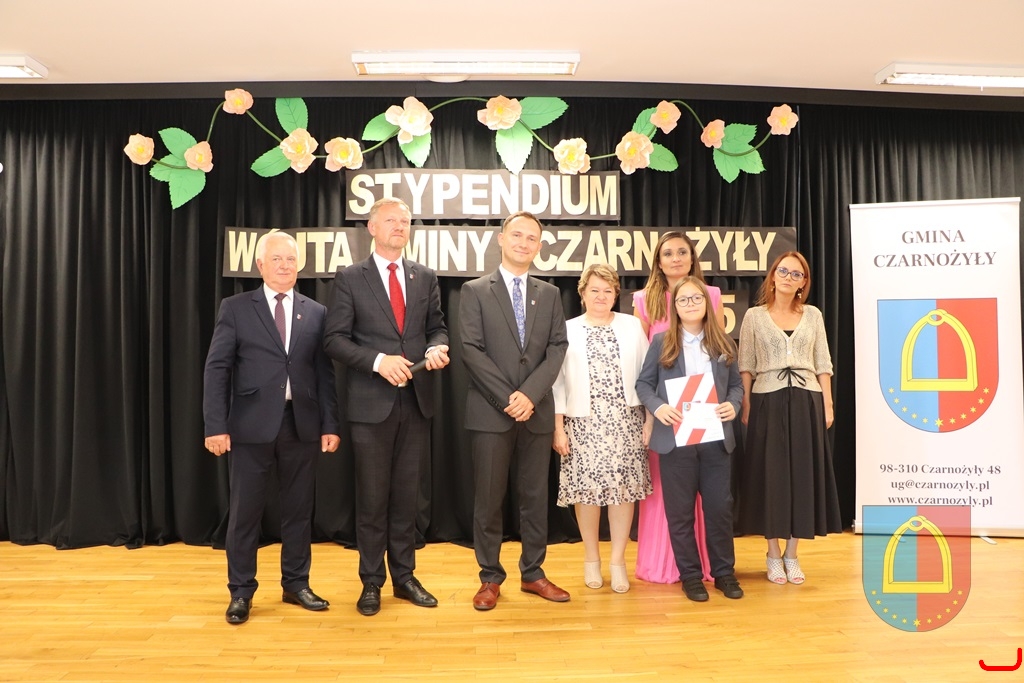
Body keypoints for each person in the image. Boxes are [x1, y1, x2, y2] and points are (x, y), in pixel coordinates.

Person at [203, 231, 341, 625]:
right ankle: (241, 590)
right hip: (249, 427)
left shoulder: (316, 312)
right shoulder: (235, 308)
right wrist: (215, 425)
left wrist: (330, 423)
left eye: (291, 259)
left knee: (299, 511)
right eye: (276, 259)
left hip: (302, 424)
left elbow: (324, 374)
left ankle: (296, 584)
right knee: (245, 513)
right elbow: (217, 369)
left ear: (299, 265)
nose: (284, 265)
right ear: (261, 265)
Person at [323, 197, 449, 616]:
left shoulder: (424, 276)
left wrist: (436, 348)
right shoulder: (350, 278)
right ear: (372, 228)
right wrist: (378, 362)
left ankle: (405, 577)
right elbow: (334, 340)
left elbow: (437, 328)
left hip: (416, 403)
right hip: (370, 406)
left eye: (405, 221)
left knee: (407, 499)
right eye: (391, 220)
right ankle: (371, 581)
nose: (400, 226)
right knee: (373, 499)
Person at [460, 211, 570, 611]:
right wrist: (511, 397)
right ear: (501, 239)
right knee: (489, 498)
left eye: (532, 238)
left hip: (536, 412)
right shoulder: (475, 290)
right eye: (517, 235)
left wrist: (530, 395)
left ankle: (533, 573)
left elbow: (557, 347)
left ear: (539, 247)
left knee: (534, 497)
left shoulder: (550, 293)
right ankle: (490, 577)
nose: (524, 243)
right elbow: (471, 349)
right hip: (492, 412)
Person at [736, 251, 842, 585]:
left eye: (796, 274)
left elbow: (823, 363)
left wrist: (827, 404)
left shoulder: (813, 315)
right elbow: (746, 364)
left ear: (803, 283)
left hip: (806, 399)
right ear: (772, 276)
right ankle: (772, 553)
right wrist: (746, 405)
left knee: (802, 476)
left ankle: (792, 554)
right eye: (783, 271)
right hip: (767, 399)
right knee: (770, 476)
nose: (788, 277)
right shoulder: (754, 316)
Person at [636, 277, 744, 602]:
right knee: (680, 513)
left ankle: (724, 573)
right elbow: (644, 385)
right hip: (675, 440)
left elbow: (736, 385)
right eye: (683, 299)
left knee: (719, 510)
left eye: (696, 298)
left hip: (715, 440)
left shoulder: (723, 342)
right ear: (675, 307)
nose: (690, 304)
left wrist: (733, 404)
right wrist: (659, 407)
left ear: (707, 303)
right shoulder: (661, 342)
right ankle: (691, 576)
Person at [552, 264, 651, 594]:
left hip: (626, 422)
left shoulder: (632, 326)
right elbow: (557, 383)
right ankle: (591, 559)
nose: (601, 296)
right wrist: (558, 428)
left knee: (623, 493)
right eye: (594, 290)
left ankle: (618, 562)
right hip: (583, 423)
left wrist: (650, 420)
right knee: (587, 494)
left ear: (615, 294)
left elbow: (648, 376)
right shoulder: (567, 329)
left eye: (608, 291)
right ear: (582, 293)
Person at [632, 231, 723, 584]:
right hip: (665, 415)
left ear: (692, 257)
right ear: (658, 261)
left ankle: (703, 565)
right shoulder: (644, 300)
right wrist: (650, 414)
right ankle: (664, 565)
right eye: (667, 253)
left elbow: (719, 354)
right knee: (667, 492)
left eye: (682, 252)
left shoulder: (710, 295)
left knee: (704, 493)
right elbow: (643, 363)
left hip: (703, 414)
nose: (675, 258)